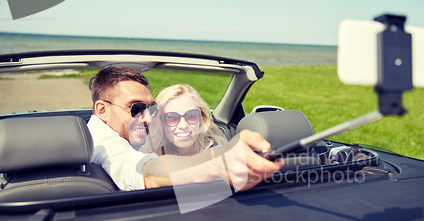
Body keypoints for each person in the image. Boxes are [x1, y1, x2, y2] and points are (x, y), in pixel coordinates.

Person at [87, 66, 282, 191]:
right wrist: (217, 163)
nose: (146, 118)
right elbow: (146, 171)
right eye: (135, 108)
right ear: (102, 109)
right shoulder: (104, 143)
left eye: (150, 108)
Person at [140, 84, 227, 157]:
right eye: (172, 118)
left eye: (191, 116)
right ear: (161, 123)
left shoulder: (216, 156)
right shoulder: (158, 153)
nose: (183, 126)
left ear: (201, 119)